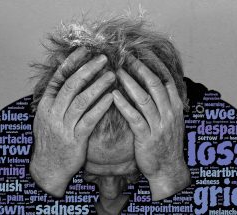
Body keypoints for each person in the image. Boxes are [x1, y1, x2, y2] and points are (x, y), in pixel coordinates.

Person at [29, 17, 191, 214]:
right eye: (89, 174)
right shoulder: (9, 130)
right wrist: (48, 174)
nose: (111, 192)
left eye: (132, 174)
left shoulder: (222, 129)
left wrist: (168, 174)